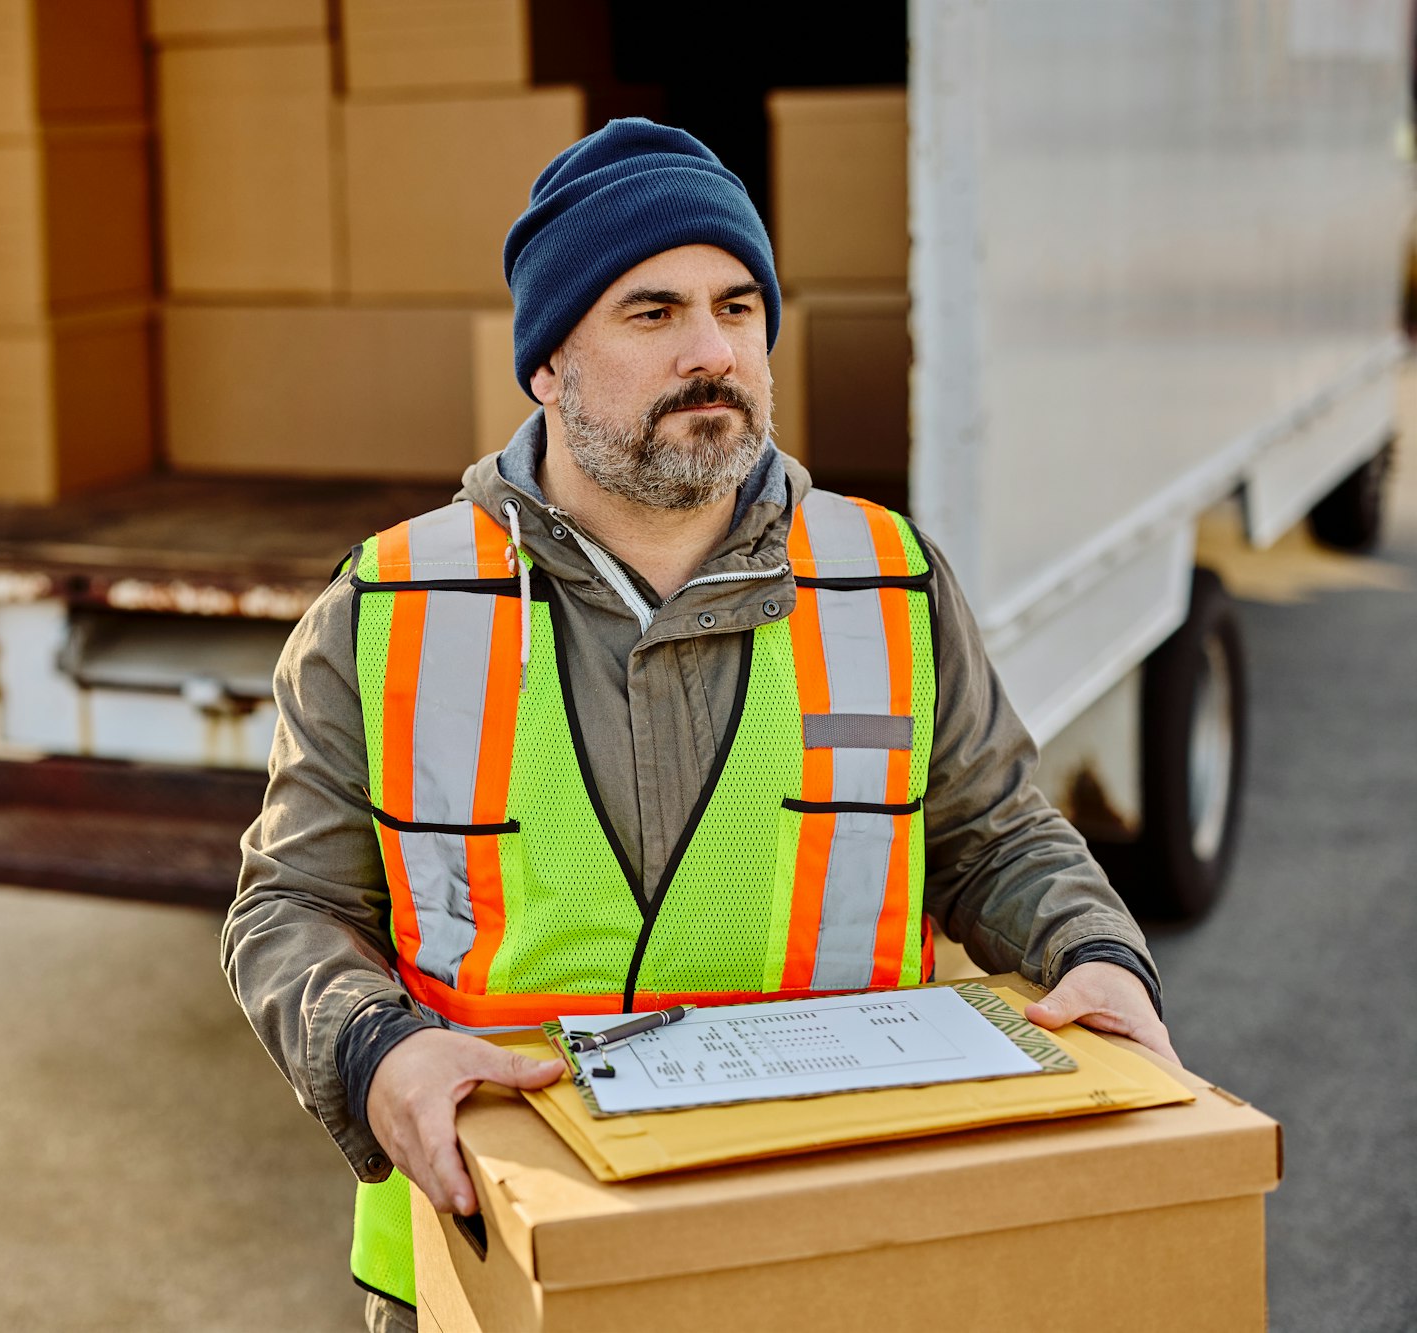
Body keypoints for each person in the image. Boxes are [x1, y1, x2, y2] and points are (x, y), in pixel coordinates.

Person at [222, 118, 1175, 1333]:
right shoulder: (389, 605)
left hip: (832, 1231)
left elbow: (989, 832)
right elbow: (287, 908)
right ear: (547, 365)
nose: (710, 350)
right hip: (498, 1248)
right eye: (650, 312)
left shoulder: (884, 577)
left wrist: (1094, 951)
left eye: (736, 307)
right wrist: (377, 1052)